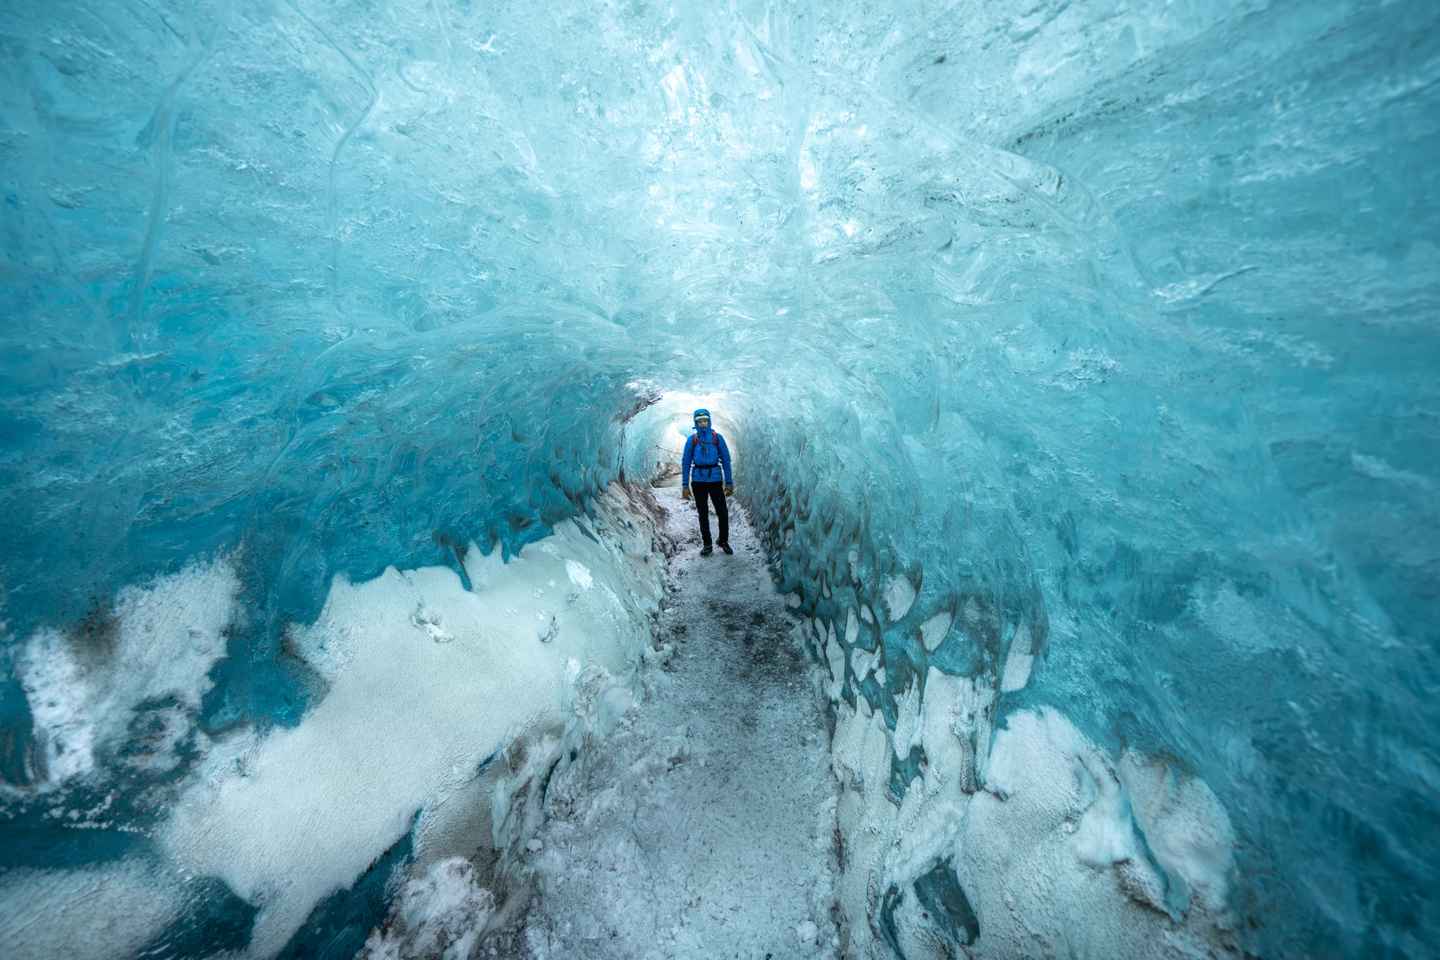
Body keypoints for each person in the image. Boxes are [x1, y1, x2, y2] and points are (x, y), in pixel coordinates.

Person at [680, 408, 734, 556]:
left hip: (715, 479)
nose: (703, 424)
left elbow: (726, 460)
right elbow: (685, 462)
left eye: (705, 421)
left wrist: (729, 482)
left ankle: (723, 540)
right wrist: (685, 485)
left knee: (722, 512)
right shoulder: (692, 440)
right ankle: (707, 544)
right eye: (700, 421)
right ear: (695, 423)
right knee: (702, 513)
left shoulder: (717, 438)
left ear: (709, 421)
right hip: (698, 481)